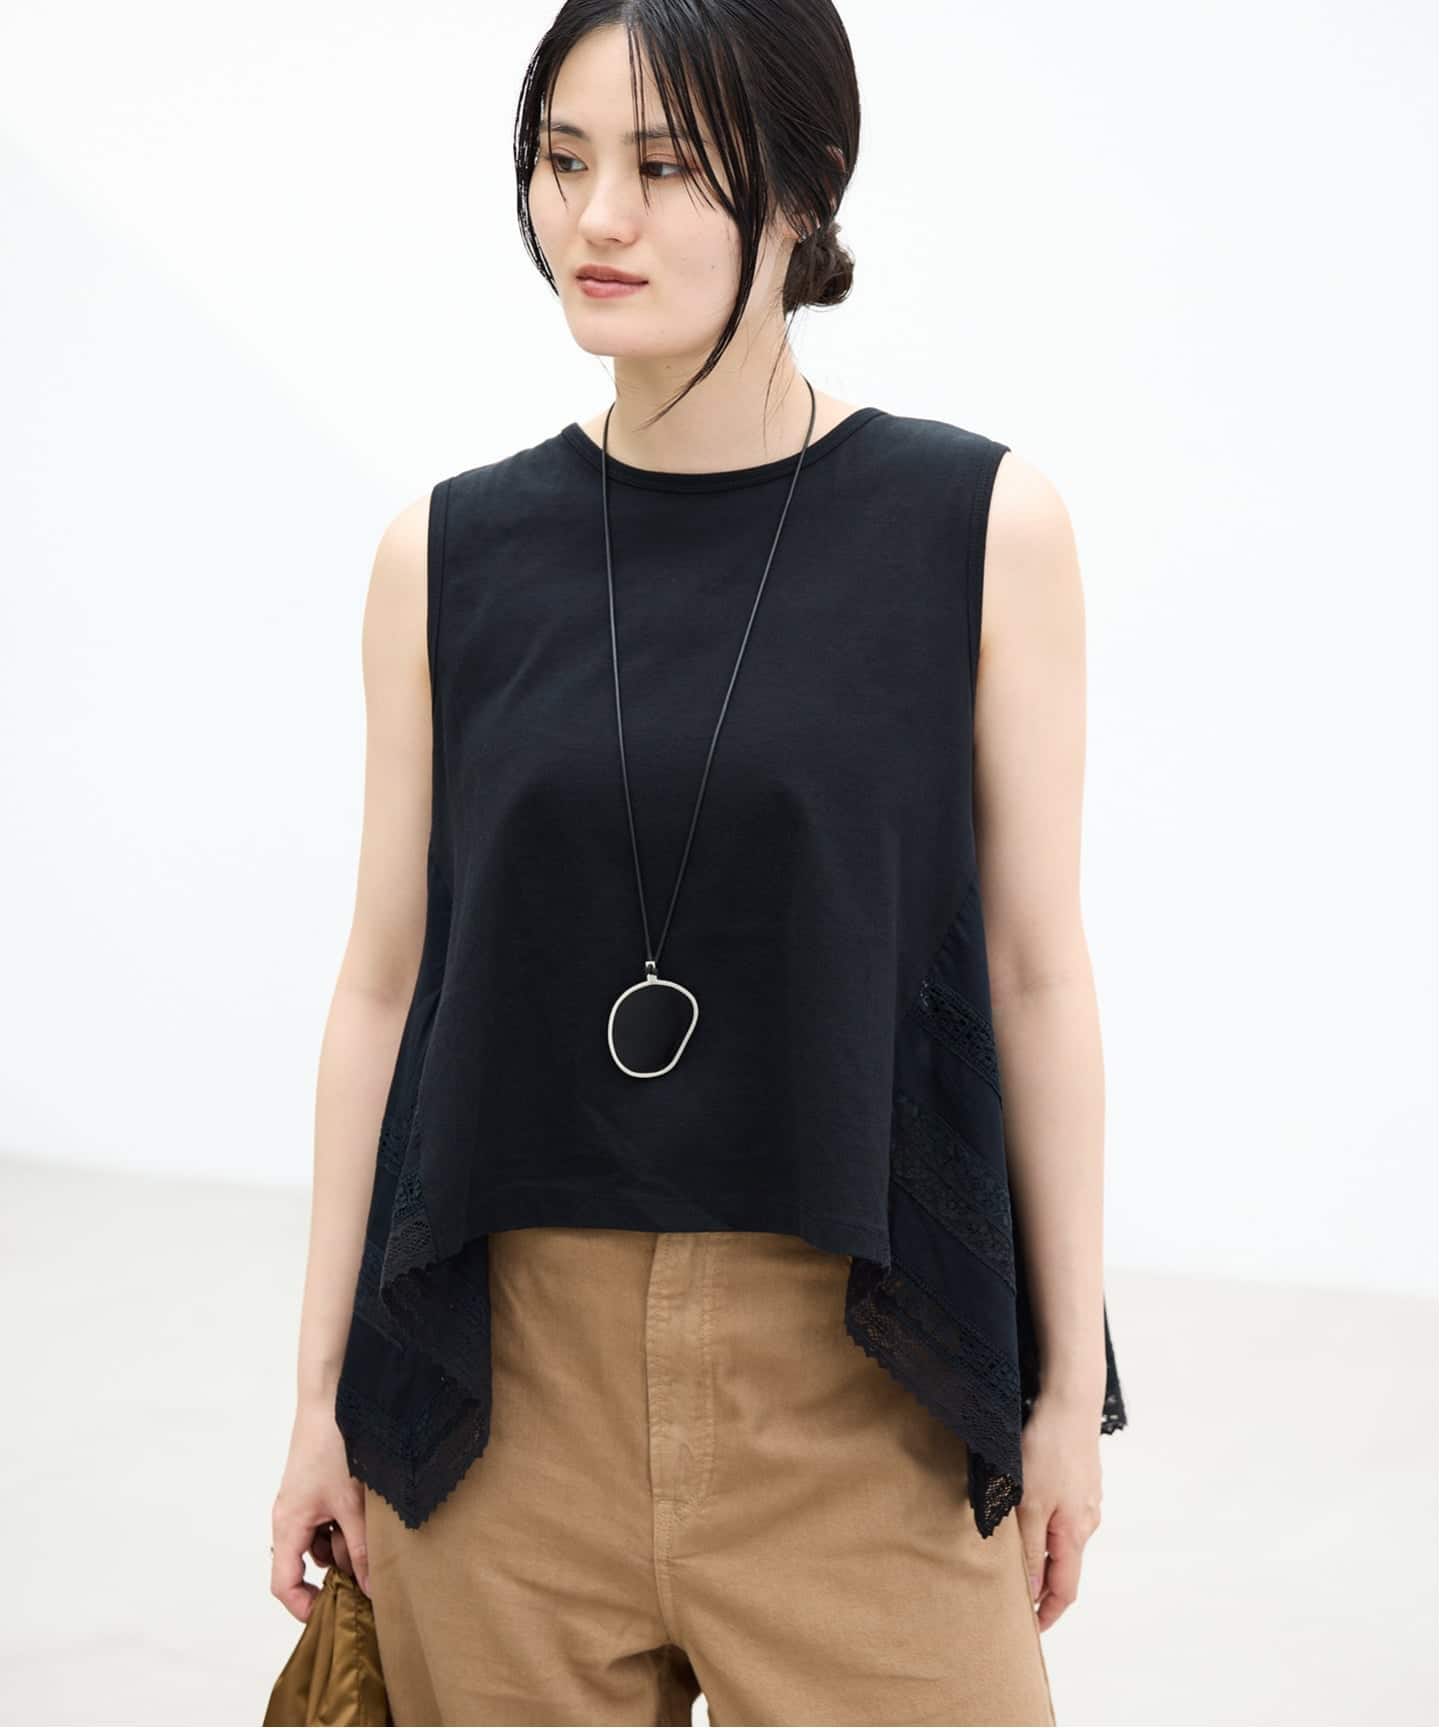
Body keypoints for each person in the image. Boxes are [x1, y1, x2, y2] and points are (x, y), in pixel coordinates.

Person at [270, 2, 1127, 1722]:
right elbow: (384, 987)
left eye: (664, 168)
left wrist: (1058, 1394)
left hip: (864, 1386)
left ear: (804, 189)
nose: (596, 218)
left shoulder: (977, 530)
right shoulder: (445, 554)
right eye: (563, 160)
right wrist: (317, 1402)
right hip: (505, 1413)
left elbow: (1035, 974)